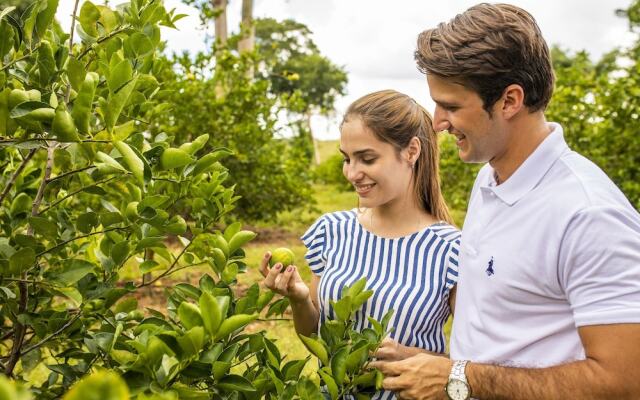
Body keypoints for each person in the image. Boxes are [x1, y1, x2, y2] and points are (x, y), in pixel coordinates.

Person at [371, 3, 640, 400]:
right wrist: (435, 365)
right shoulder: (490, 180)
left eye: (451, 105)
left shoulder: (588, 215)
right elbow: (508, 339)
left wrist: (459, 378)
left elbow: (624, 382)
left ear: (510, 100)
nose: (437, 122)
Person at [260, 89, 461, 399]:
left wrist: (409, 358)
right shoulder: (331, 231)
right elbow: (319, 339)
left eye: (367, 158)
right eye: (347, 159)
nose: (352, 173)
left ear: (411, 151)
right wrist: (299, 300)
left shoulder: (451, 251)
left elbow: (473, 369)